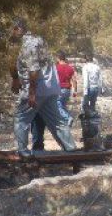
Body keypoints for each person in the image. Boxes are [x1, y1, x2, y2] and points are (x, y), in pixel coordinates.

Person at [9, 19, 76, 156]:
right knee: (57, 121)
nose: (12, 33)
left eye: (13, 29)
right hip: (50, 88)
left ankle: (22, 151)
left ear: (19, 29)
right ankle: (71, 150)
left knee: (21, 119)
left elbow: (34, 70)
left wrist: (32, 93)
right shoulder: (38, 39)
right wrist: (15, 78)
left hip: (37, 88)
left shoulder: (28, 45)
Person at [55, 50, 76, 124]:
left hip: (59, 89)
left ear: (58, 58)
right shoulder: (70, 68)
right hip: (67, 90)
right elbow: (74, 80)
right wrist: (75, 91)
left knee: (57, 106)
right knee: (63, 106)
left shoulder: (56, 68)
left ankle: (68, 118)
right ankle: (66, 124)